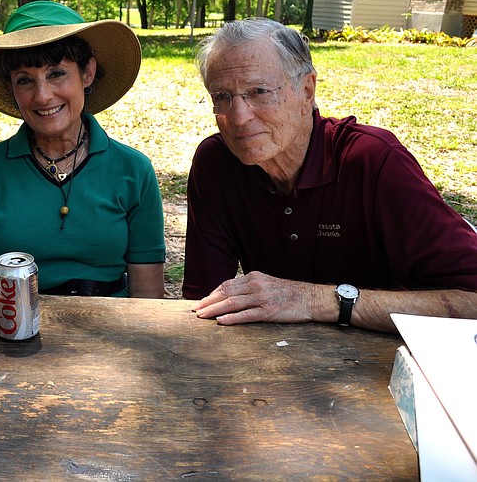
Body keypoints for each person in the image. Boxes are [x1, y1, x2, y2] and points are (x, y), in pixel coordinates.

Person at [184, 18, 477, 332]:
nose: (239, 118)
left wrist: (315, 300)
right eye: (221, 97)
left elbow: (471, 301)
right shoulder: (216, 163)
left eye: (259, 91)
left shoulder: (373, 161)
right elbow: (203, 301)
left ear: (307, 90)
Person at [0, 0, 165, 297]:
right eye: (25, 80)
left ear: (87, 73)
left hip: (112, 332)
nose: (43, 96)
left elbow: (147, 294)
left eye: (56, 74)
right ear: (11, 88)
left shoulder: (133, 170)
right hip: (15, 326)